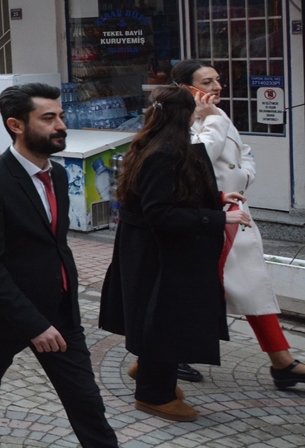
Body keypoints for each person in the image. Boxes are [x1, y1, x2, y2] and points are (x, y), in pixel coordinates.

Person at [0, 83, 118, 448]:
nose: (61, 125)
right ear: (17, 125)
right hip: (2, 318)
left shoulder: (55, 174)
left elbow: (53, 245)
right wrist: (33, 324)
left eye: (61, 116)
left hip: (59, 313)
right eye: (48, 118)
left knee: (87, 405)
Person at [100, 86, 250, 421]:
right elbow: (160, 212)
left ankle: (153, 375)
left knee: (162, 317)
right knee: (165, 317)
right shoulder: (164, 151)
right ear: (184, 115)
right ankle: (154, 394)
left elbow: (171, 193)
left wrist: (219, 196)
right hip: (161, 254)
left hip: (154, 250)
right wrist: (218, 217)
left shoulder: (157, 145)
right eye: (194, 110)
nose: (199, 113)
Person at [171, 59, 304, 389]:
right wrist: (212, 120)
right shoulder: (178, 119)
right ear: (186, 88)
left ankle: (281, 361)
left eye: (217, 80)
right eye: (207, 82)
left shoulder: (218, 113)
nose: (217, 87)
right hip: (207, 219)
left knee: (250, 286)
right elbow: (199, 158)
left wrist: (243, 176)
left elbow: (244, 153)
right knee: (200, 289)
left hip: (232, 214)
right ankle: (163, 355)